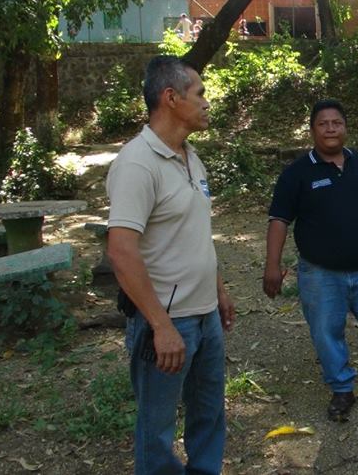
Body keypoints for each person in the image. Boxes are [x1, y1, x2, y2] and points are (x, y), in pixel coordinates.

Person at [107, 55, 235, 474]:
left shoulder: (189, 156)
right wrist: (161, 326)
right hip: (165, 323)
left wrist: (218, 290)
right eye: (199, 93)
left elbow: (194, 230)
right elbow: (122, 251)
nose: (206, 101)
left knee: (209, 414)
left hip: (204, 317)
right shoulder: (136, 163)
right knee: (157, 430)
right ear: (171, 97)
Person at [264, 99, 358, 424]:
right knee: (326, 333)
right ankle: (342, 389)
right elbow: (279, 220)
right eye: (323, 123)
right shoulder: (296, 174)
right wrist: (272, 266)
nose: (331, 128)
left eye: (337, 123)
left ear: (345, 128)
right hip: (321, 275)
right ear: (312, 130)